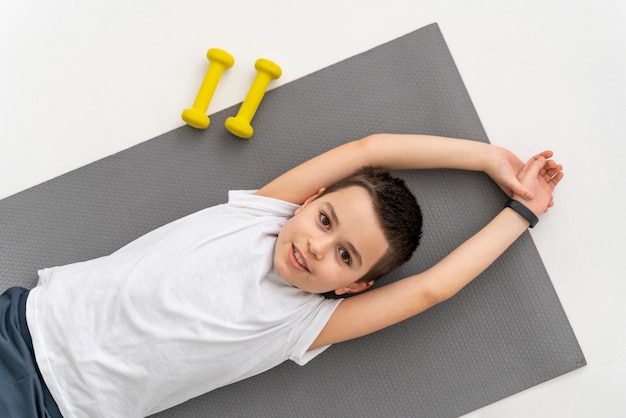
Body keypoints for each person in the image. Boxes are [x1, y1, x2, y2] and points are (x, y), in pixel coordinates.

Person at [0, 134, 563, 417]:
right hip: (24, 323)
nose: (317, 247)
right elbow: (370, 147)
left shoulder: (308, 320)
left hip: (59, 408)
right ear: (309, 199)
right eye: (324, 219)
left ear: (355, 286)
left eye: (346, 257)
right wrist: (488, 158)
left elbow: (431, 289)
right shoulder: (263, 212)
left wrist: (524, 212)